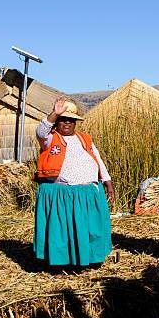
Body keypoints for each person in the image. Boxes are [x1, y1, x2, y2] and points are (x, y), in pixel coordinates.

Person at [33, 97, 114, 267]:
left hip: (88, 193)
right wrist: (55, 113)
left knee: (90, 228)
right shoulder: (50, 139)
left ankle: (90, 258)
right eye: (63, 119)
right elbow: (40, 131)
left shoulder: (84, 139)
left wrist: (107, 180)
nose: (67, 123)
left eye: (71, 120)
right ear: (57, 122)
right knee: (63, 231)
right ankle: (65, 261)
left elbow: (97, 159)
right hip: (64, 193)